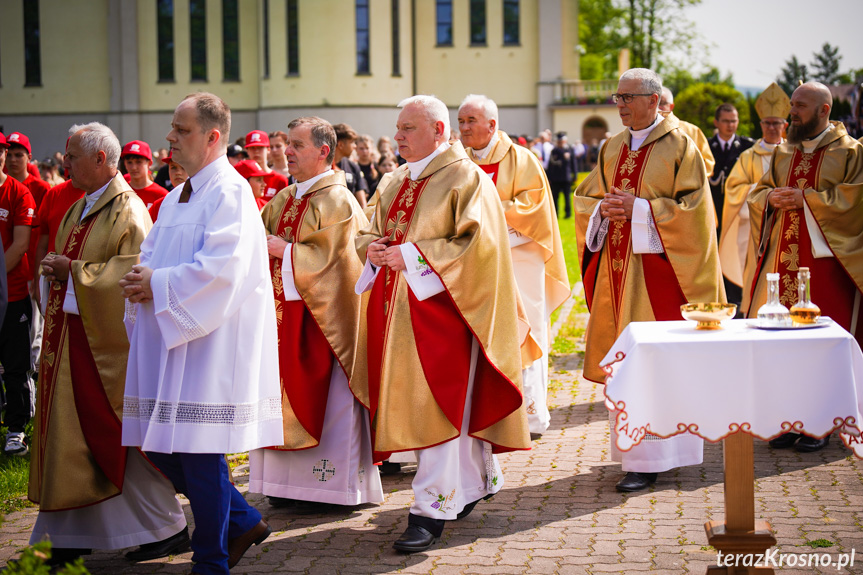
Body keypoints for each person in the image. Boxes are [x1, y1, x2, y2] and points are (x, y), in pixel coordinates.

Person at [354, 95, 530, 553]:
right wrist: (371, 249)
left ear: (437, 130)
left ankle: (430, 511)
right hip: (398, 314)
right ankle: (474, 482)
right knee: (437, 408)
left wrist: (411, 256)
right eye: (397, 129)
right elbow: (371, 227)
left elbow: (481, 247)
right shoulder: (394, 180)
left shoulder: (465, 177)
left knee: (438, 407)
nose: (398, 138)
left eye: (407, 129)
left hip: (446, 317)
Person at [121, 92, 283, 575]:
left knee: (199, 451)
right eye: (172, 128)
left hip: (211, 344)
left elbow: (223, 270)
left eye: (182, 129)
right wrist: (139, 278)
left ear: (213, 137)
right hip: (173, 343)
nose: (170, 138)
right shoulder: (176, 196)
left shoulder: (231, 194)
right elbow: (151, 254)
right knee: (158, 446)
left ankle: (210, 562)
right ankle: (243, 521)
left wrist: (159, 284)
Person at [27, 122, 189, 569]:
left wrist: (73, 272)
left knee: (113, 439)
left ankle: (165, 526)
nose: (65, 162)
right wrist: (57, 269)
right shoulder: (82, 205)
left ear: (101, 159)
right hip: (72, 341)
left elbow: (131, 275)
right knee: (75, 438)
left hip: (104, 350)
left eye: (73, 155)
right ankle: (70, 533)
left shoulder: (129, 211)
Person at [574, 68, 724, 493]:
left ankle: (657, 456)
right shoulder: (613, 146)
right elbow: (586, 198)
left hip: (660, 278)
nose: (619, 104)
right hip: (618, 275)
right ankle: (632, 452)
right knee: (626, 362)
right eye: (617, 97)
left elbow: (696, 212)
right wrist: (603, 210)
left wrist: (640, 210)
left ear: (654, 100)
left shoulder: (681, 146)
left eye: (627, 97)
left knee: (655, 363)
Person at [249, 117, 383, 511]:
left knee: (331, 402)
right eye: (287, 144)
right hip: (279, 320)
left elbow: (339, 265)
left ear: (324, 151)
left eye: (296, 145)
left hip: (323, 325)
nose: (286, 151)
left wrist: (286, 252)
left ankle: (329, 489)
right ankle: (282, 484)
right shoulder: (283, 198)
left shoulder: (338, 202)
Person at [745, 82, 863, 452]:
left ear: (825, 110)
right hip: (781, 262)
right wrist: (770, 198)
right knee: (784, 343)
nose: (791, 112)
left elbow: (855, 200)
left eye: (799, 107)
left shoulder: (850, 152)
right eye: (792, 105)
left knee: (820, 345)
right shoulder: (784, 151)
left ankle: (821, 423)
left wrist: (807, 201)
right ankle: (786, 419)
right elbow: (758, 192)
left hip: (826, 265)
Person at [458, 94, 570, 437]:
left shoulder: (521, 159)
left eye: (470, 122)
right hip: (470, 264)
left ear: (492, 125)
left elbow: (532, 211)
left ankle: (530, 416)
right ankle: (484, 416)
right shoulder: (456, 162)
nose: (463, 129)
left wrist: (481, 219)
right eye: (460, 121)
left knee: (526, 331)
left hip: (518, 260)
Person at [721, 83, 789, 313]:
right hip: (756, 227)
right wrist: (761, 193)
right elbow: (733, 189)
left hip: (788, 225)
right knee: (755, 272)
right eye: (767, 123)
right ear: (761, 125)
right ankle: (753, 311)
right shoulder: (748, 157)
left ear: (785, 125)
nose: (772, 127)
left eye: (776, 123)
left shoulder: (795, 154)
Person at [0, 132, 37, 456]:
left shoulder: (18, 193)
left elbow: (21, 244)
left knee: (16, 366)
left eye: (6, 152)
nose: (5, 157)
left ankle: (16, 430)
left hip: (11, 296)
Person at [5, 132, 50, 378]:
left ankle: (31, 373)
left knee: (34, 325)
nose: (13, 160)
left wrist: (39, 269)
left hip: (31, 266)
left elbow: (44, 233)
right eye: (9, 154)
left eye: (19, 155)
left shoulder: (40, 188)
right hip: (10, 269)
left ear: (29, 158)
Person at [708, 104, 754, 242]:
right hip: (713, 208)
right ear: (716, 122)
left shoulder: (748, 147)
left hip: (737, 209)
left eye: (733, 121)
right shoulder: (706, 146)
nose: (730, 125)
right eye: (726, 121)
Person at [658, 87, 716, 177]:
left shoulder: (692, 131)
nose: (658, 108)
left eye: (662, 103)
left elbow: (707, 164)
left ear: (671, 106)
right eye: (654, 103)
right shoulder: (641, 131)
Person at [122, 140, 169, 210]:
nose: (134, 167)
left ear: (149, 164)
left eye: (138, 162)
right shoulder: (121, 193)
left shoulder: (162, 195)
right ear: (125, 164)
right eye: (129, 162)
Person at [244, 130, 289, 202]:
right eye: (252, 148)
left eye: (260, 147)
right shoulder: (242, 177)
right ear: (247, 151)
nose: (256, 151)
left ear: (268, 150)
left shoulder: (280, 179)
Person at [332, 123, 370, 208]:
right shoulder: (323, 167)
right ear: (341, 145)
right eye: (352, 142)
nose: (355, 146)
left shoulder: (353, 167)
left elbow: (362, 204)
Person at [546, 131, 579, 219]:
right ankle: (555, 214)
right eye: (559, 142)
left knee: (567, 197)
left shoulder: (569, 149)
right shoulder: (554, 150)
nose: (560, 143)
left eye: (562, 141)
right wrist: (548, 177)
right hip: (555, 178)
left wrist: (575, 175)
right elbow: (550, 165)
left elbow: (574, 163)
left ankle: (568, 214)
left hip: (566, 178)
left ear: (565, 141)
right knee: (555, 197)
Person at [148, 151, 189, 221]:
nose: (178, 172)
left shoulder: (203, 202)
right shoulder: (159, 205)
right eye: (173, 167)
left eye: (183, 166)